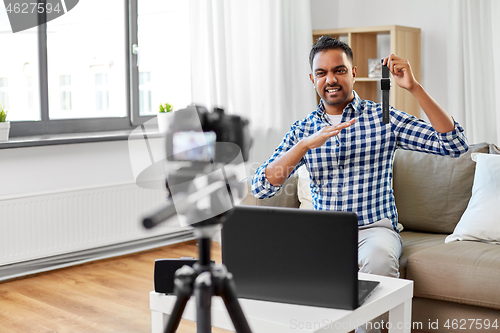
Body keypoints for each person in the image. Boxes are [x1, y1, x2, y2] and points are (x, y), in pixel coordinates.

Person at [251, 36, 468, 332]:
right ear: (312, 78)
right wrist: (303, 146)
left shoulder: (384, 118)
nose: (331, 79)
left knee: (378, 260)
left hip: (374, 230)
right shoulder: (303, 130)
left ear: (353, 73)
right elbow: (262, 187)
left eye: (339, 70)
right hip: (324, 233)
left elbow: (454, 145)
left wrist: (413, 87)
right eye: (322, 72)